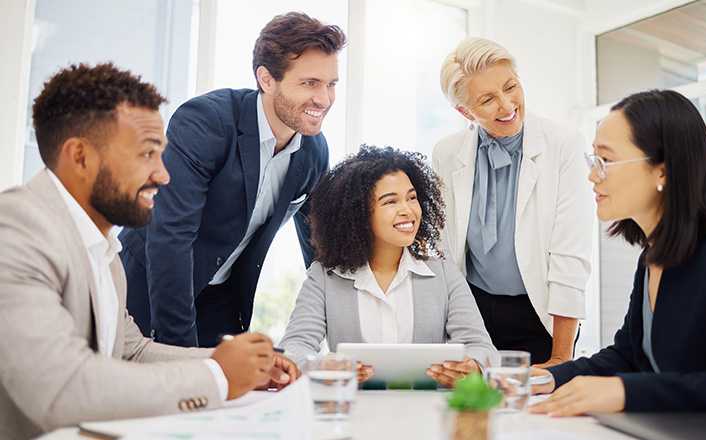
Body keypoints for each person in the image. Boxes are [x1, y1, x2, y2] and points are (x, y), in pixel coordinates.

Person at [0, 63, 300, 440]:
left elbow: (132, 350)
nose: (163, 174)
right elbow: (61, 387)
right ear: (79, 157)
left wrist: (241, 366)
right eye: (146, 154)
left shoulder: (101, 246)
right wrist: (216, 377)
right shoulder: (15, 229)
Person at [118, 12, 346, 348]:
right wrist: (183, 356)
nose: (325, 99)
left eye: (331, 84)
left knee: (232, 392)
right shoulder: (207, 121)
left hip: (222, 296)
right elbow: (171, 237)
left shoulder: (314, 150)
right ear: (267, 80)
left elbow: (320, 250)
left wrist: (340, 341)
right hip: (151, 283)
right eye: (310, 83)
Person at [529, 89, 706, 419]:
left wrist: (626, 392)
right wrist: (549, 377)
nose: (593, 175)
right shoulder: (653, 257)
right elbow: (627, 356)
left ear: (662, 171)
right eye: (592, 161)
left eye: (606, 161)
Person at [279, 145, 498, 387]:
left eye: (412, 198)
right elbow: (293, 348)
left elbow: (480, 346)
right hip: (353, 411)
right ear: (359, 214)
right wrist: (320, 366)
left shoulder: (443, 272)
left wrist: (474, 366)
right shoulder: (324, 277)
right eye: (390, 201)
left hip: (425, 411)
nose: (408, 210)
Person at [433, 37, 593, 367]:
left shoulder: (563, 145)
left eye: (510, 87)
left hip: (540, 315)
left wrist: (561, 357)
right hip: (472, 314)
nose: (507, 105)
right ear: (465, 110)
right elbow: (443, 253)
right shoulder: (447, 154)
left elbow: (569, 255)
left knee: (531, 412)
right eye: (488, 99)